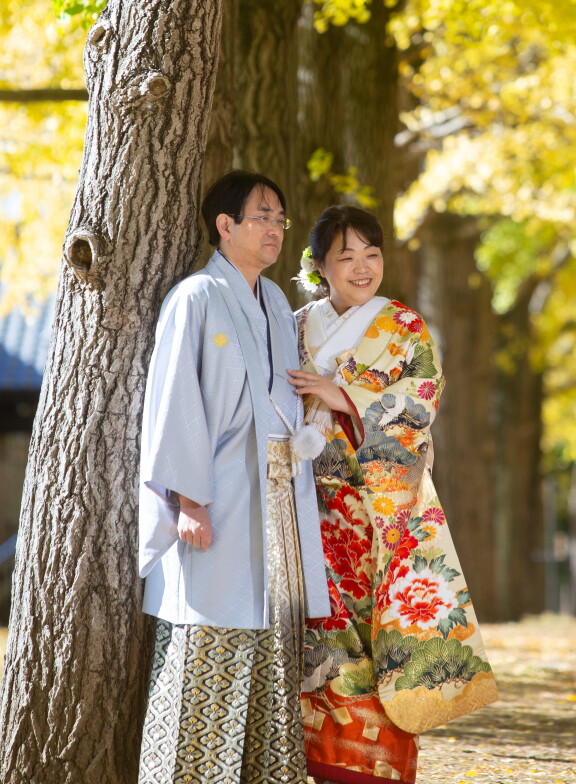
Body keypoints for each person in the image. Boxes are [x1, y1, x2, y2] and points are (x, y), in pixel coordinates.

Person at [288, 204, 498, 784]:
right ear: (319, 266)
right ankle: (322, 760)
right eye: (346, 256)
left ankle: (376, 767)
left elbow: (422, 399)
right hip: (306, 505)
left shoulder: (405, 327)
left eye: (371, 254)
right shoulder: (295, 325)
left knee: (380, 638)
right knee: (321, 636)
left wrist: (343, 397)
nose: (362, 267)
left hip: (376, 507)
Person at [137, 170, 330, 784]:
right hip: (215, 494)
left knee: (269, 636)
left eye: (281, 219)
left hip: (276, 493)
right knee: (208, 632)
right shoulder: (193, 297)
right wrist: (189, 498)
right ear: (226, 226)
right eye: (263, 217)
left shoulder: (274, 301)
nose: (276, 229)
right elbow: (175, 400)